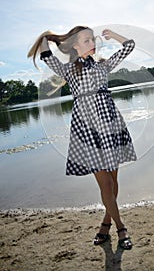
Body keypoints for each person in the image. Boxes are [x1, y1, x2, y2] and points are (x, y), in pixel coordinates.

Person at [27, 26, 137, 250]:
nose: (92, 43)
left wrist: (113, 34)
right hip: (86, 129)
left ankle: (105, 224)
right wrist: (47, 37)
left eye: (92, 39)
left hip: (110, 124)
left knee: (113, 181)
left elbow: (130, 46)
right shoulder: (68, 70)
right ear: (75, 46)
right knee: (104, 182)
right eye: (86, 40)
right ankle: (120, 228)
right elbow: (46, 53)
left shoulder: (103, 66)